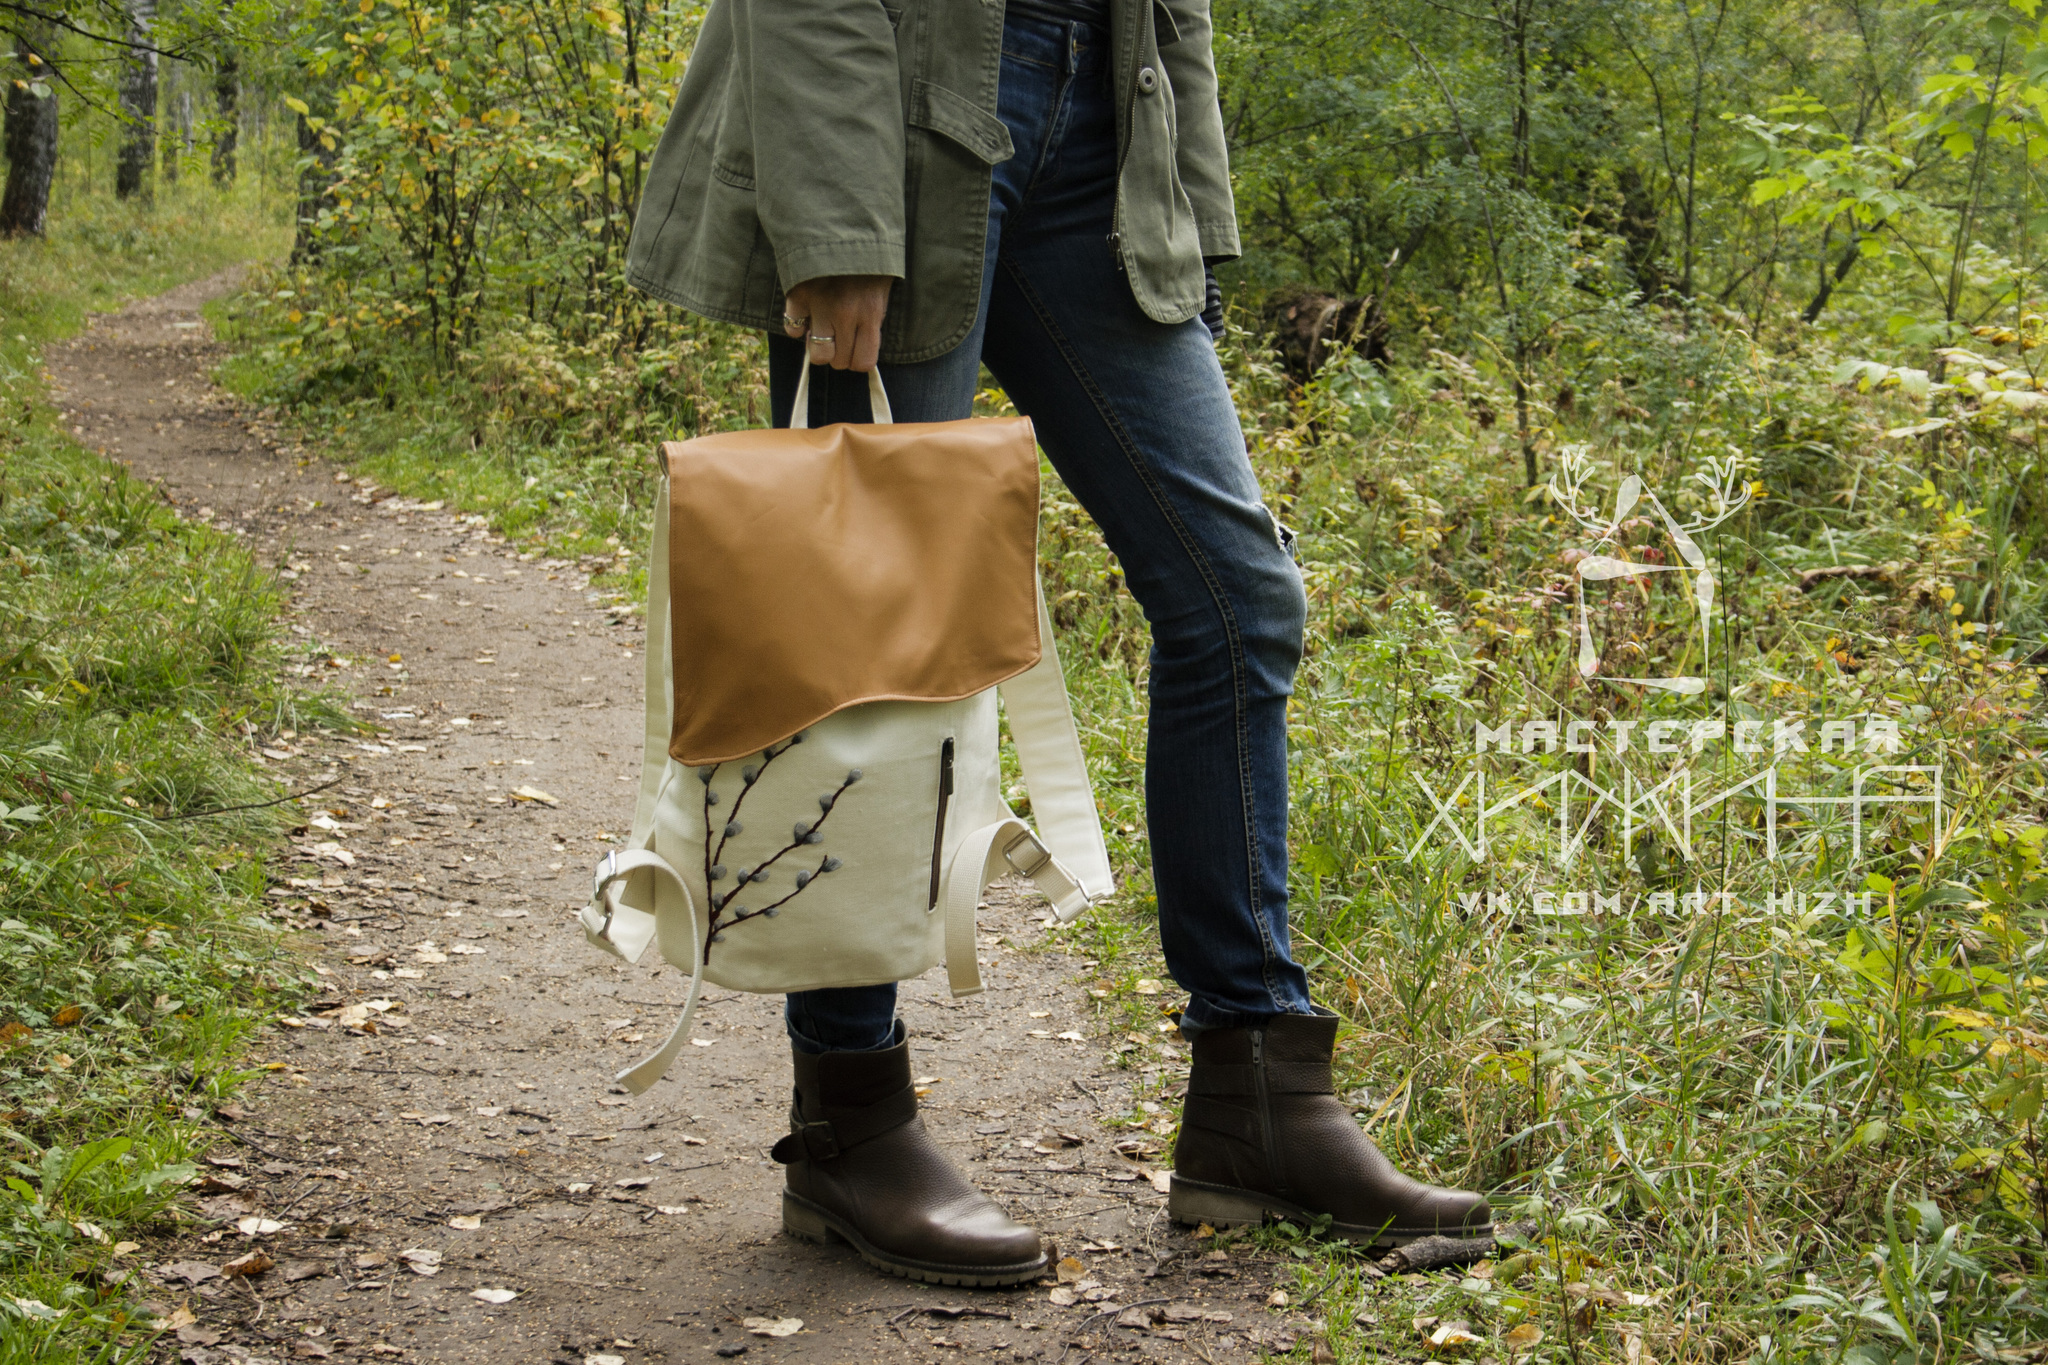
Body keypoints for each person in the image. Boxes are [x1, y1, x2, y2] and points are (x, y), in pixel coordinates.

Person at [623, 0, 1492, 1288]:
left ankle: (1256, 1095)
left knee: (1236, 596)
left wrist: (1188, 200)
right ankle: (849, 1123)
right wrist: (837, 220)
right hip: (904, 112)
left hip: (1105, 127)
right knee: (864, 617)